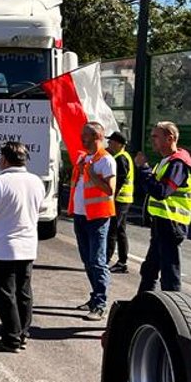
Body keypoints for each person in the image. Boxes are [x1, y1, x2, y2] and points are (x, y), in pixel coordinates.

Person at [0, 141, 44, 352]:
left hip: (4, 246)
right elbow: (40, 208)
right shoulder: (36, 181)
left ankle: (11, 337)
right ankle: (23, 333)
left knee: (4, 294)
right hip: (28, 244)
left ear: (4, 159)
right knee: (23, 292)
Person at [135, 121, 191, 293]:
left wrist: (144, 169)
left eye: (156, 136)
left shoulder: (177, 164)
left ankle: (172, 310)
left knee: (169, 272)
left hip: (172, 223)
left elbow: (162, 192)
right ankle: (143, 305)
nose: (152, 140)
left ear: (169, 138)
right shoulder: (166, 161)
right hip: (162, 222)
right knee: (150, 269)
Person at [68, 121, 116, 321]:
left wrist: (92, 175)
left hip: (97, 217)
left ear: (97, 137)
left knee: (97, 261)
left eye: (85, 135)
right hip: (81, 215)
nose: (81, 138)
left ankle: (100, 303)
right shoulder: (84, 158)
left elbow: (110, 189)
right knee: (87, 260)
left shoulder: (105, 160)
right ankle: (95, 296)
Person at [106, 131, 134, 274]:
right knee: (120, 231)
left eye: (111, 142)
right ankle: (122, 262)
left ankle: (105, 261)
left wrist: (111, 197)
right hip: (124, 200)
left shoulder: (121, 159)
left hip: (119, 200)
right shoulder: (122, 157)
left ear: (119, 144)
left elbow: (119, 181)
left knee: (112, 231)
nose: (109, 144)